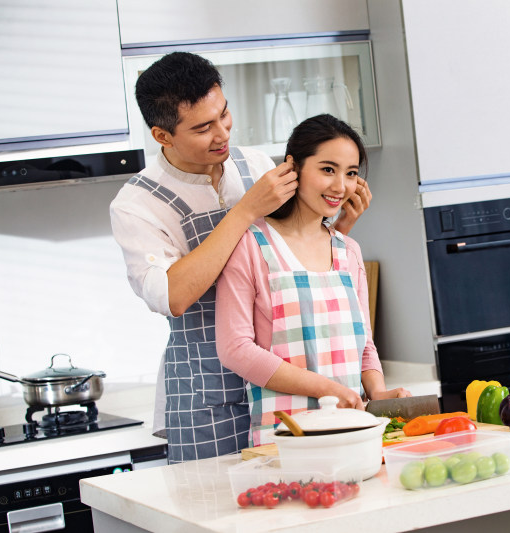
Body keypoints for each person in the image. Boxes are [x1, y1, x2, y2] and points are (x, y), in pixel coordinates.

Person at [109, 53, 372, 463]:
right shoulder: (137, 204)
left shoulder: (254, 164)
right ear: (162, 136)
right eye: (202, 127)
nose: (221, 134)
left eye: (224, 114)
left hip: (284, 387)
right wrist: (245, 210)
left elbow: (285, 257)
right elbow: (172, 296)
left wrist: (336, 232)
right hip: (206, 395)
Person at [215, 114, 409, 446]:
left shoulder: (348, 250)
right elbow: (235, 349)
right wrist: (326, 389)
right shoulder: (251, 244)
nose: (340, 186)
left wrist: (379, 391)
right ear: (293, 166)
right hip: (286, 440)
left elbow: (362, 343)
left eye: (351, 174)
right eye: (327, 169)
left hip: (353, 435)